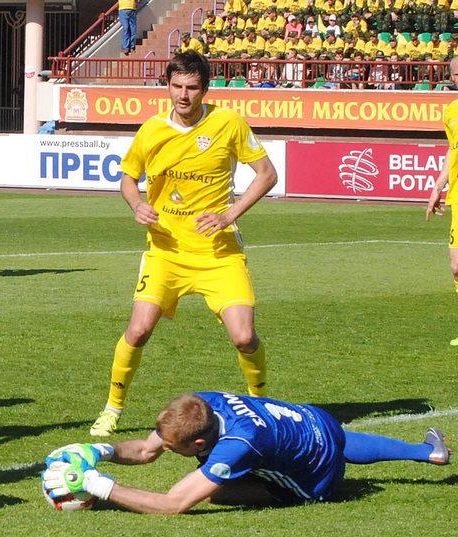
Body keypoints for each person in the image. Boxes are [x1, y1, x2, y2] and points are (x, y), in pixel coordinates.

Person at [88, 51, 278, 437]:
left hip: (218, 253)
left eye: (191, 87)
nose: (183, 95)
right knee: (138, 331)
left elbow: (266, 174)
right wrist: (137, 204)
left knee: (244, 337)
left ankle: (262, 406)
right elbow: (128, 178)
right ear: (168, 87)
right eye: (176, 86)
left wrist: (229, 214)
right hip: (166, 252)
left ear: (205, 90)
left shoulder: (228, 123)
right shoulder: (152, 130)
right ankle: (112, 409)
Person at [45, 392, 450, 513]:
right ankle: (426, 452)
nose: (162, 448)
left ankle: (304, 486)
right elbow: (147, 450)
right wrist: (98, 449)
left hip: (316, 479)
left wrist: (98, 486)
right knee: (333, 440)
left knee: (215, 492)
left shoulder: (238, 448)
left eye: (172, 448)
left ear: (200, 444)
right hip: (315, 421)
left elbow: (173, 504)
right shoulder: (199, 404)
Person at [427, 57, 458, 344]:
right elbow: (452, 148)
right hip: (457, 197)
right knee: (457, 266)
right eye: (457, 74)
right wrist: (438, 186)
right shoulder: (450, 111)